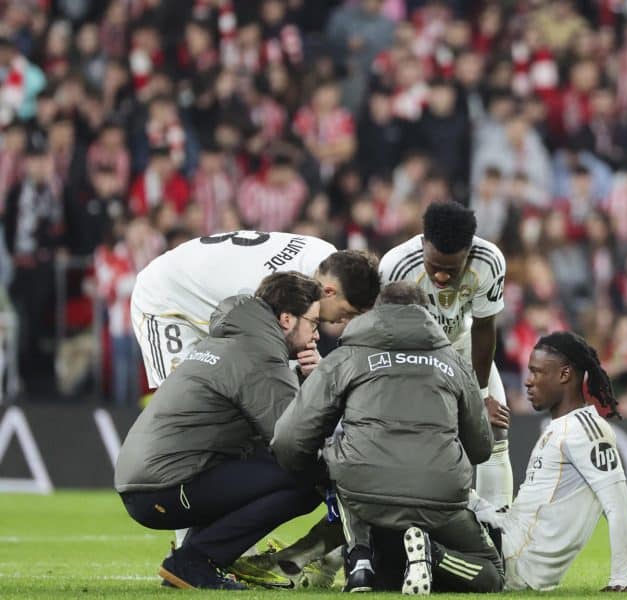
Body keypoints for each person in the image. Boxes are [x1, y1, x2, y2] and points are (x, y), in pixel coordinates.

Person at [271, 281, 504, 594]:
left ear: (376, 313)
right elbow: (481, 448)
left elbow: (289, 437)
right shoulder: (455, 364)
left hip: (362, 493)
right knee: (491, 573)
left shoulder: (346, 357)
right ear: (427, 315)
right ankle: (431, 553)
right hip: (438, 498)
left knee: (347, 463)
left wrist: (317, 475)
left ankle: (359, 559)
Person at [114, 271, 327, 590]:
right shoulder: (260, 356)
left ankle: (193, 559)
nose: (317, 334)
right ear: (286, 319)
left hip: (150, 482)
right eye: (312, 322)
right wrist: (321, 383)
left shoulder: (231, 340)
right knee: (308, 477)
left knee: (266, 466)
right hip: (165, 486)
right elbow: (294, 440)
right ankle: (195, 561)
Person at [468, 331, 627, 592]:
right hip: (506, 535)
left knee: (433, 512)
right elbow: (619, 514)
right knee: (451, 495)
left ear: (565, 375)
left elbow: (619, 509)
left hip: (513, 561)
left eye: (537, 372)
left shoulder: (586, 431)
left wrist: (619, 581)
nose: (528, 382)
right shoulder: (563, 428)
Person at [379, 201, 513, 510]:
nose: (440, 277)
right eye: (434, 266)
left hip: (463, 343)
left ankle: (500, 531)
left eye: (452, 270)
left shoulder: (490, 260)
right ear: (423, 243)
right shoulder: (395, 267)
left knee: (495, 428)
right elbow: (388, 336)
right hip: (414, 354)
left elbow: (483, 328)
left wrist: (479, 397)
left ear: (469, 251)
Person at [131, 231, 380, 388]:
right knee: (180, 396)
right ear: (329, 292)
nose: (344, 320)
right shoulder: (266, 295)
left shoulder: (325, 255)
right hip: (166, 295)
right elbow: (260, 371)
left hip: (208, 290)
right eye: (347, 312)